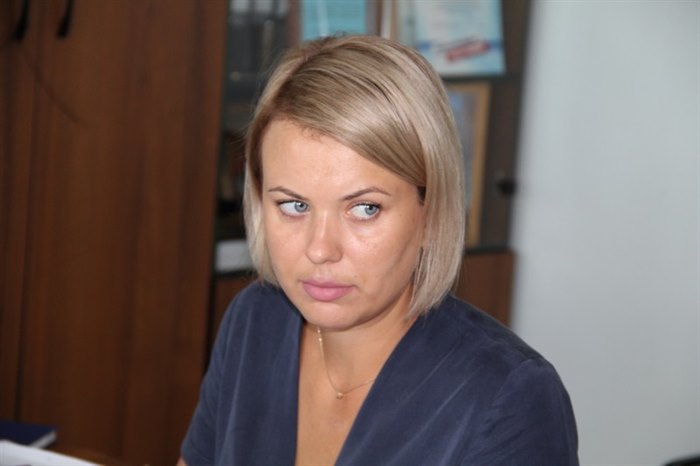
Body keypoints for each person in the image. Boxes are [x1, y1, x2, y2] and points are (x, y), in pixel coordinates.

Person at [179, 35, 578, 466]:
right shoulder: (254, 321)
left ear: (431, 212)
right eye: (294, 205)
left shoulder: (509, 399)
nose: (320, 250)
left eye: (365, 209)